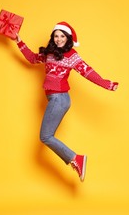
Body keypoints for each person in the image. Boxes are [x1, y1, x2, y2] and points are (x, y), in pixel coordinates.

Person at [12, 21, 118, 182]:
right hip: (54, 99)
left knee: (46, 136)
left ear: (67, 38)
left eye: (62, 36)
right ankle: (76, 159)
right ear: (53, 37)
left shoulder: (72, 56)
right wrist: (18, 41)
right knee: (47, 136)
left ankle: (76, 159)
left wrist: (106, 83)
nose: (59, 39)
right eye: (56, 36)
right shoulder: (50, 53)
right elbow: (33, 58)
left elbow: (87, 72)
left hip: (59, 99)